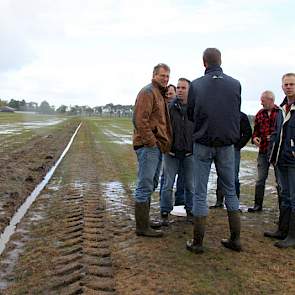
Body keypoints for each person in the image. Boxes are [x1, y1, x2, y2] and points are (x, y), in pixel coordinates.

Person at [186, 48, 242, 253]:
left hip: (202, 142)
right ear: (220, 60)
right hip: (227, 144)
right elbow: (236, 111)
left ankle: (198, 242)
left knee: (200, 192)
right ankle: (235, 239)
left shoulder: (197, 84)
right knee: (230, 191)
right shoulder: (235, 84)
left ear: (204, 63)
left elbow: (191, 113)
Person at [133, 63, 172, 237]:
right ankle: (142, 227)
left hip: (157, 146)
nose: (165, 79)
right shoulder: (148, 92)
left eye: (167, 76)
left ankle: (145, 220)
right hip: (148, 146)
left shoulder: (160, 94)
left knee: (152, 183)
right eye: (162, 75)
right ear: (154, 75)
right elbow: (140, 120)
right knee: (145, 184)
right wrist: (151, 142)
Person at [265, 73, 295, 248]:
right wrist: (271, 151)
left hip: (292, 160)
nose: (289, 87)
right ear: (282, 86)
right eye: (286, 84)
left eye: (292, 84)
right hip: (280, 159)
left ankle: (292, 235)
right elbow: (277, 133)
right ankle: (282, 230)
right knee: (284, 195)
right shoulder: (281, 109)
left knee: (293, 197)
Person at [160, 78, 194, 224]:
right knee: (167, 184)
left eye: (183, 88)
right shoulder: (169, 108)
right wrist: (166, 147)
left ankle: (191, 210)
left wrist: (194, 148)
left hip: (189, 154)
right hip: (171, 153)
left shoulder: (196, 108)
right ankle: (165, 211)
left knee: (190, 185)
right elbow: (162, 128)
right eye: (178, 87)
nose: (180, 90)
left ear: (190, 90)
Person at [210, 112, 252, 208]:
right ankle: (219, 201)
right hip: (221, 147)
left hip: (233, 149)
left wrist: (238, 146)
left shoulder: (241, 116)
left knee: (234, 176)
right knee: (220, 175)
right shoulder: (221, 115)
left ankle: (234, 204)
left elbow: (248, 132)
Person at [248, 91, 280, 212]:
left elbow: (283, 132)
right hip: (263, 151)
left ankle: (282, 208)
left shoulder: (280, 113)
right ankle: (258, 205)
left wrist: (272, 137)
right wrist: (254, 139)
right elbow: (255, 132)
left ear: (270, 99)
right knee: (260, 179)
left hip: (277, 151)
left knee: (280, 181)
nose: (261, 103)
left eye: (263, 100)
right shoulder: (259, 114)